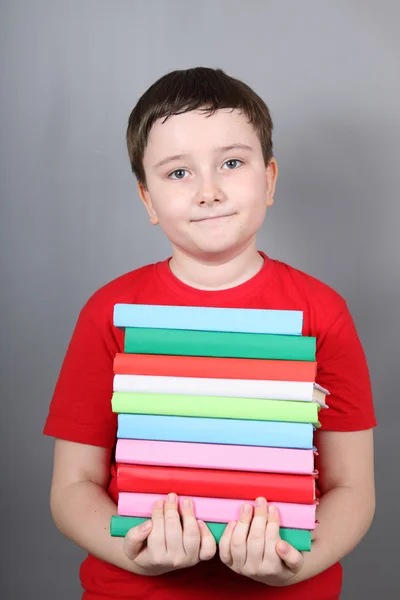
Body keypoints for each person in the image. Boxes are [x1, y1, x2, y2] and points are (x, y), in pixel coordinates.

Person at [43, 67, 376, 600]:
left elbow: (353, 489)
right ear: (148, 200)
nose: (209, 191)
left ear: (268, 180)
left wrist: (296, 562)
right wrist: (135, 553)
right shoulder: (109, 312)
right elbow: (71, 489)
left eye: (231, 163)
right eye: (178, 173)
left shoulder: (323, 313)